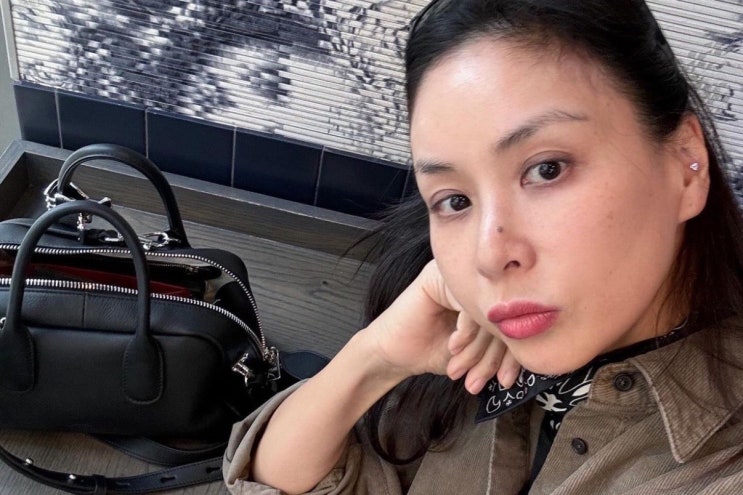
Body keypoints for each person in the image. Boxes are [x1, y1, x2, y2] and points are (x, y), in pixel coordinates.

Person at [223, 0, 743, 493]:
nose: (488, 257)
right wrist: (376, 358)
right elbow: (278, 480)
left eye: (547, 169)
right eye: (455, 201)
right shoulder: (459, 355)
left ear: (684, 164)